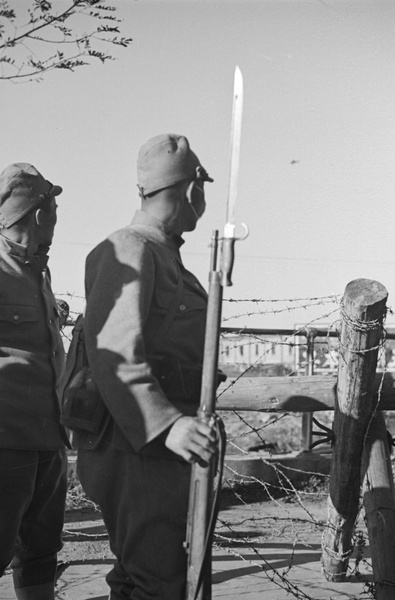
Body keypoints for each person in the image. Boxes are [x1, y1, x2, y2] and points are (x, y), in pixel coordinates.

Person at [75, 134, 221, 599]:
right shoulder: (131, 247)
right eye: (203, 189)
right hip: (136, 447)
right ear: (193, 188)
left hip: (152, 452)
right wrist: (167, 427)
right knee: (160, 583)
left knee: (144, 578)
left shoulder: (168, 257)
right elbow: (113, 352)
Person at [0, 163, 68, 600]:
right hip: (6, 441)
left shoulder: (37, 272)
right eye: (54, 206)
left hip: (49, 437)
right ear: (41, 214)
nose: (57, 216)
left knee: (41, 551)